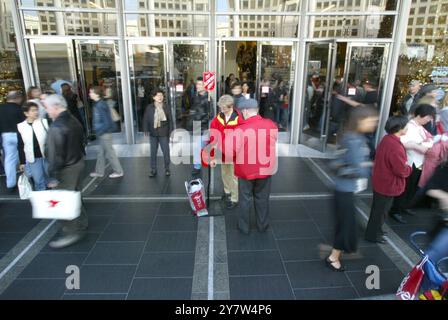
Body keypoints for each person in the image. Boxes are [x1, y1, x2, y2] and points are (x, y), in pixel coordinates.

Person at [326, 105, 378, 271]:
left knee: (345, 224)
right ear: (360, 121)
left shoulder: (351, 136)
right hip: (345, 190)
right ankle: (333, 258)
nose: (374, 124)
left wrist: (363, 164)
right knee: (345, 225)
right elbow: (360, 169)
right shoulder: (355, 140)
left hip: (344, 188)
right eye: (371, 121)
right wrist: (367, 165)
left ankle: (335, 255)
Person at [44, 94, 88, 249]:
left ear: (56, 107)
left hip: (66, 168)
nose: (47, 111)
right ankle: (82, 223)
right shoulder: (73, 119)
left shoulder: (57, 126)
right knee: (75, 194)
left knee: (62, 201)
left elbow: (55, 154)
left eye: (48, 108)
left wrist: (53, 176)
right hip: (78, 162)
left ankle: (71, 232)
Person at [232, 99, 278, 234]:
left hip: (245, 171)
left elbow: (232, 150)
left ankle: (244, 227)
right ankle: (262, 226)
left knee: (245, 199)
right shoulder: (271, 125)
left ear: (245, 111)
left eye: (240, 112)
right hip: (265, 169)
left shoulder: (240, 129)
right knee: (262, 198)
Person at [365, 116, 412, 243]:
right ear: (400, 128)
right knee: (380, 212)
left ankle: (376, 230)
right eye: (406, 126)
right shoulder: (395, 146)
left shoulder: (387, 139)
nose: (408, 128)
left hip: (381, 181)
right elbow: (400, 170)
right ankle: (373, 235)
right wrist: (409, 169)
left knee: (378, 210)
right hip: (387, 184)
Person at [389, 104, 436, 224]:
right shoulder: (409, 126)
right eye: (428, 117)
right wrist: (418, 145)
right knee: (405, 188)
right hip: (410, 161)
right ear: (421, 115)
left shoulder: (420, 126)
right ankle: (396, 210)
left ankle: (404, 207)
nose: (429, 120)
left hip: (418, 161)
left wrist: (423, 144)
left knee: (411, 188)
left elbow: (429, 140)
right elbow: (402, 142)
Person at [209, 95, 244, 209]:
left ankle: (234, 198)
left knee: (234, 176)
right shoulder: (218, 118)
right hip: (223, 151)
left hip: (235, 153)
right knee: (225, 173)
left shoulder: (239, 119)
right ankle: (227, 192)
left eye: (225, 108)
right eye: (221, 108)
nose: (222, 110)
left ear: (231, 106)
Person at [88, 87, 124, 179]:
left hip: (104, 133)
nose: (89, 94)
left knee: (110, 153)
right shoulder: (99, 104)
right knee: (101, 152)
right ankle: (99, 171)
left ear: (96, 94)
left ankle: (118, 171)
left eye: (91, 92)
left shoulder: (100, 105)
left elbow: (107, 122)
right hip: (103, 132)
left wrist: (100, 131)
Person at [17, 101, 50, 191]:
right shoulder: (20, 126)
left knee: (51, 178)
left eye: (36, 110)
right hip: (33, 158)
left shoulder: (44, 122)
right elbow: (21, 145)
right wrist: (22, 162)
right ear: (26, 113)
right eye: (33, 110)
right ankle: (42, 201)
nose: (36, 112)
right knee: (38, 181)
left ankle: (55, 199)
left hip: (47, 155)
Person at [143, 89, 173, 178]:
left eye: (161, 95)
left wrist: (171, 132)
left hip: (164, 133)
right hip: (153, 133)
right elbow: (145, 119)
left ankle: (167, 168)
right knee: (153, 152)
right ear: (153, 97)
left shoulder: (166, 107)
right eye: (157, 95)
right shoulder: (149, 107)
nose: (160, 97)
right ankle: (153, 170)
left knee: (166, 152)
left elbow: (170, 120)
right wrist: (145, 129)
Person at [0, 91, 26, 191]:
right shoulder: (20, 109)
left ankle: (10, 184)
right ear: (18, 98)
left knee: (9, 160)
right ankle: (30, 179)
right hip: (20, 135)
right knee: (26, 156)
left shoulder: (1, 108)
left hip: (6, 135)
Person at [190, 77, 211, 177]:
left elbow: (211, 114)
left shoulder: (209, 98)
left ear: (205, 86)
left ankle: (200, 164)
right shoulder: (195, 96)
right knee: (197, 147)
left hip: (205, 126)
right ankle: (197, 166)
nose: (197, 86)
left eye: (200, 84)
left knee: (202, 147)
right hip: (197, 125)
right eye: (197, 84)